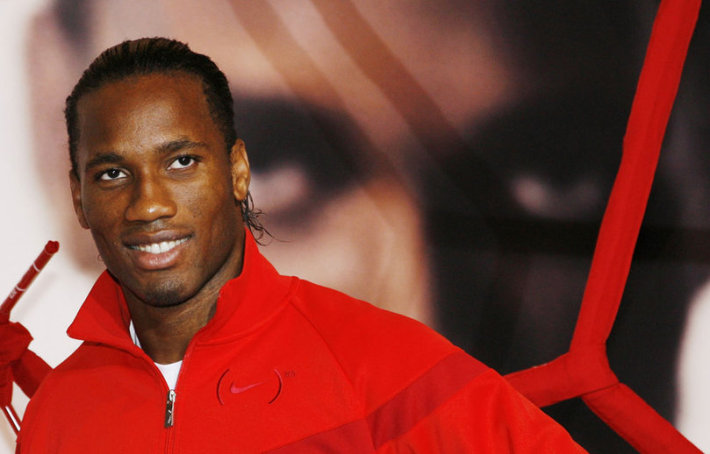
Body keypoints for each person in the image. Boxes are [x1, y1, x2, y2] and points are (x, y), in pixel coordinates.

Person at [17, 38, 584, 453]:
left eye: (182, 162)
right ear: (78, 198)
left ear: (239, 172)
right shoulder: (58, 412)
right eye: (112, 174)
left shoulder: (383, 362)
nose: (149, 205)